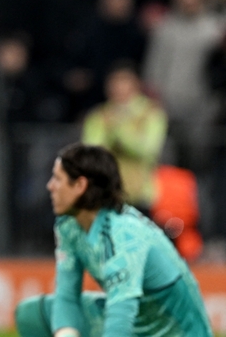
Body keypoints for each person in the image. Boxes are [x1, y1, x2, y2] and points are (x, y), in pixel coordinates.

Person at [14, 143, 212, 337]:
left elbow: (121, 318)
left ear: (80, 186)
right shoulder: (68, 225)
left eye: (58, 179)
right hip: (138, 324)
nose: (50, 186)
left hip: (174, 332)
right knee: (33, 315)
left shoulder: (124, 235)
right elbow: (66, 296)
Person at [81, 61, 167, 213]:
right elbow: (92, 154)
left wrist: (119, 132)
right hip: (106, 194)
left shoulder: (151, 113)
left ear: (136, 84)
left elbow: (149, 150)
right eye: (115, 82)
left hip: (140, 195)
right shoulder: (98, 116)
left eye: (124, 81)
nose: (119, 87)